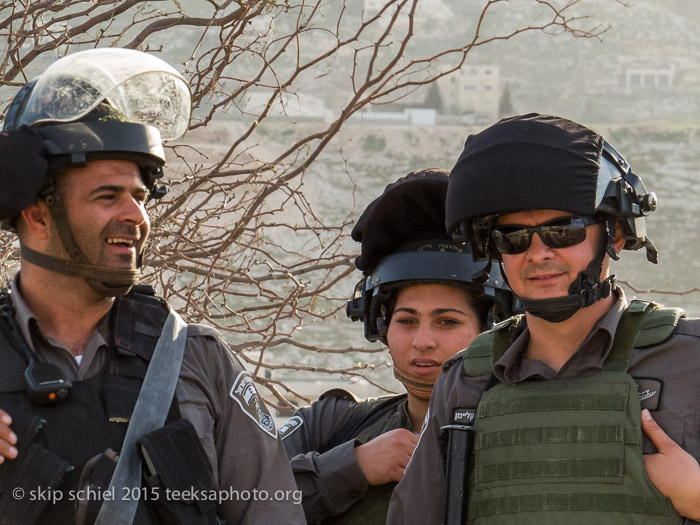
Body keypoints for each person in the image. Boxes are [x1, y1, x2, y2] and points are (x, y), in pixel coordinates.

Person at [0, 48, 305, 525]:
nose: (137, 217)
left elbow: (273, 513)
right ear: (37, 216)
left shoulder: (195, 359)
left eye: (140, 197)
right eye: (108, 196)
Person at [387, 113, 700, 524]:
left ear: (616, 236)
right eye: (513, 237)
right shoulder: (466, 382)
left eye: (563, 231)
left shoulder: (689, 360)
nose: (538, 254)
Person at [280, 169, 515, 524]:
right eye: (406, 321)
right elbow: (239, 497)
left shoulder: (527, 429)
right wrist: (351, 467)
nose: (422, 341)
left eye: (447, 321)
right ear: (381, 326)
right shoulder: (331, 425)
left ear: (491, 327)